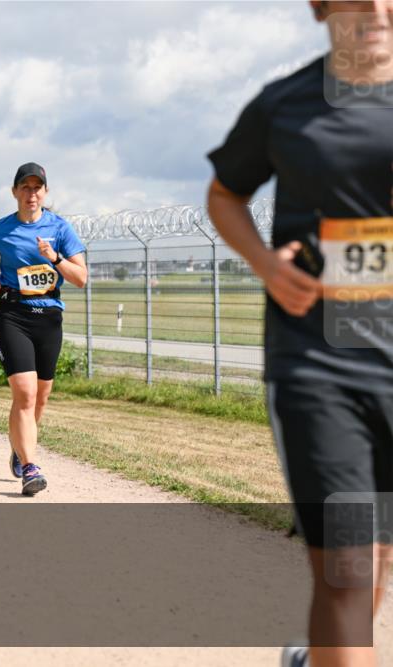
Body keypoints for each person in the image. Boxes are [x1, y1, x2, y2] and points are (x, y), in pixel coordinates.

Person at [207, 2, 392, 666]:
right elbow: (225, 192)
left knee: (375, 557)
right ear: (320, 5)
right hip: (321, 366)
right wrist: (263, 264)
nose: (374, 8)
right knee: (347, 563)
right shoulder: (285, 104)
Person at [0, 162, 88, 496]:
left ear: (45, 193)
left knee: (40, 398)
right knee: (24, 393)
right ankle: (30, 466)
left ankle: (20, 447)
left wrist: (54, 258)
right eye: (25, 187)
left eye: (37, 188)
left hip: (49, 318)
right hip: (13, 315)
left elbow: (81, 278)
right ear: (14, 192)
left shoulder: (60, 228)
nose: (31, 193)